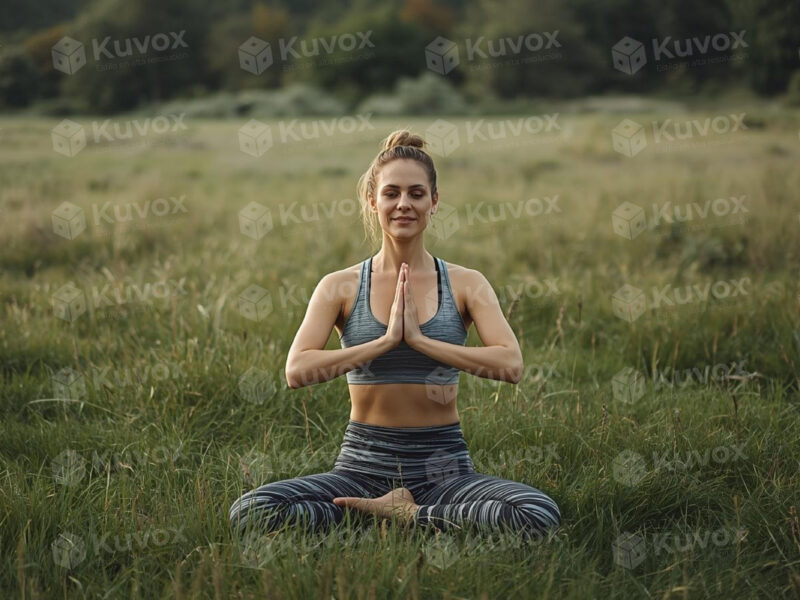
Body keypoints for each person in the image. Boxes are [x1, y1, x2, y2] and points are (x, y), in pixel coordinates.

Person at [228, 129, 561, 541]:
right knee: (251, 511)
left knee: (537, 513)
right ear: (373, 201)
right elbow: (297, 371)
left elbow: (511, 365)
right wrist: (383, 343)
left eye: (417, 193)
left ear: (434, 202)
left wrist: (421, 341)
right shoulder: (340, 286)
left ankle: (406, 515)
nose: (404, 204)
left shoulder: (466, 283)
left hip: (444, 470)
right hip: (360, 468)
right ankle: (384, 511)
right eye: (391, 193)